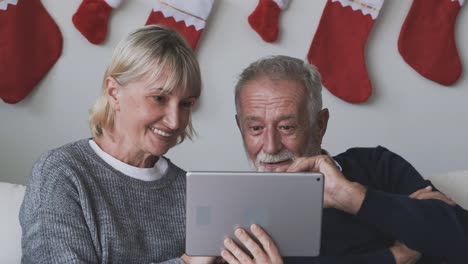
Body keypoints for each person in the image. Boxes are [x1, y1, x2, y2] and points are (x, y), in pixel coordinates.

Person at [221, 55, 468, 264]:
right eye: (255, 128)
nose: (271, 146)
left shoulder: (377, 165)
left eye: (286, 127)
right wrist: (397, 255)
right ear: (239, 127)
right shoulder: (236, 218)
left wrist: (353, 198)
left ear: (320, 124)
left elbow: (461, 240)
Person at [19, 25, 217, 264]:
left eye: (186, 104)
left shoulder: (194, 193)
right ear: (114, 93)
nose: (175, 121)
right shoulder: (62, 173)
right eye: (159, 98)